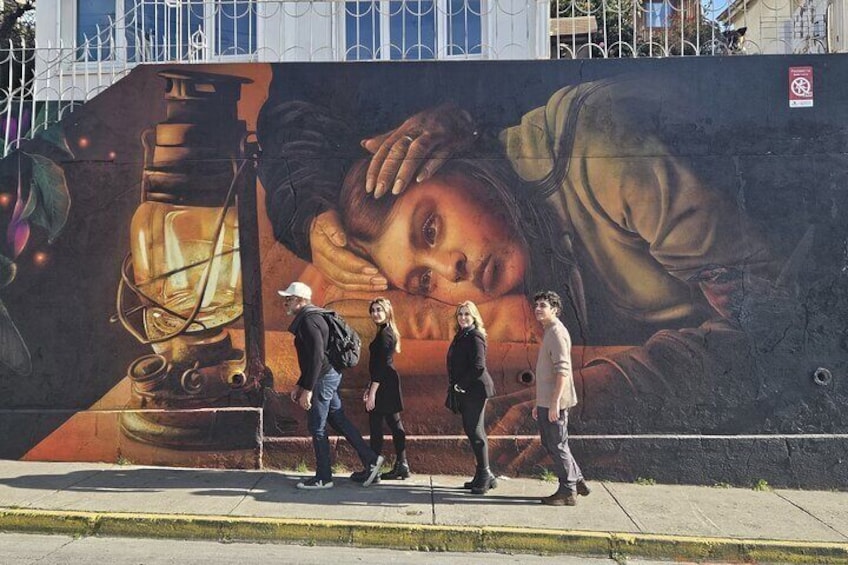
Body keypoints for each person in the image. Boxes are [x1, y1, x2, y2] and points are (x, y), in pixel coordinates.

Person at [256, 79, 792, 434]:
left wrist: (602, 393)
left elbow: (779, 331)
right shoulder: (531, 273)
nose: (451, 270)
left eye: (431, 227)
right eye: (422, 281)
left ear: (455, 161)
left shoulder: (595, 148)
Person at [281, 281, 384, 489]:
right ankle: (371, 460)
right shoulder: (314, 316)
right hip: (329, 375)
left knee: (317, 426)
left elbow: (317, 357)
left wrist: (308, 389)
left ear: (301, 301)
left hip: (323, 378)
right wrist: (300, 384)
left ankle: (323, 477)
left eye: (289, 299)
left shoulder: (309, 321)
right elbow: (312, 359)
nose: (285, 303)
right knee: (338, 419)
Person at [532, 290, 591, 506]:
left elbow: (563, 371)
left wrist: (554, 402)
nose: (538, 309)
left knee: (557, 444)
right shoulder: (550, 331)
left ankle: (568, 491)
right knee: (553, 443)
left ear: (555, 310)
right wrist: (539, 403)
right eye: (537, 305)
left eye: (543, 306)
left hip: (555, 402)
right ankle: (578, 481)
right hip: (546, 401)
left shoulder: (556, 332)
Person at [447, 301, 496, 494]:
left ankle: (484, 475)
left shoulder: (475, 335)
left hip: (475, 390)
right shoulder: (461, 335)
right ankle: (485, 475)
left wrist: (460, 385)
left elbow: (478, 366)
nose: (463, 317)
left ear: (474, 316)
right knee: (473, 431)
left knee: (475, 432)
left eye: (467, 314)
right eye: (460, 314)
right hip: (467, 390)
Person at [362, 297, 410, 481]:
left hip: (384, 384)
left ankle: (373, 470)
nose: (375, 313)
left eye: (379, 310)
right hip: (385, 382)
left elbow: (381, 366)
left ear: (388, 312)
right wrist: (369, 387)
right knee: (395, 425)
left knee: (376, 425)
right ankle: (402, 464)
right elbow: (377, 367)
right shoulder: (384, 332)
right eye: (373, 310)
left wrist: (372, 391)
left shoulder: (385, 334)